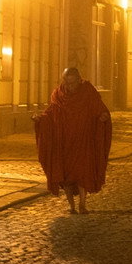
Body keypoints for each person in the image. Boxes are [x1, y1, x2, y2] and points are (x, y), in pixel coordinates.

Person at [34, 67, 112, 214]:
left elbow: (99, 108)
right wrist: (40, 119)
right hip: (64, 141)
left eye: (72, 83)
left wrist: (103, 116)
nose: (69, 86)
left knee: (82, 172)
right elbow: (51, 113)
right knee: (66, 176)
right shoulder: (58, 94)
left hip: (83, 140)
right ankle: (71, 206)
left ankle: (82, 204)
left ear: (79, 80)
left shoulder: (88, 92)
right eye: (67, 82)